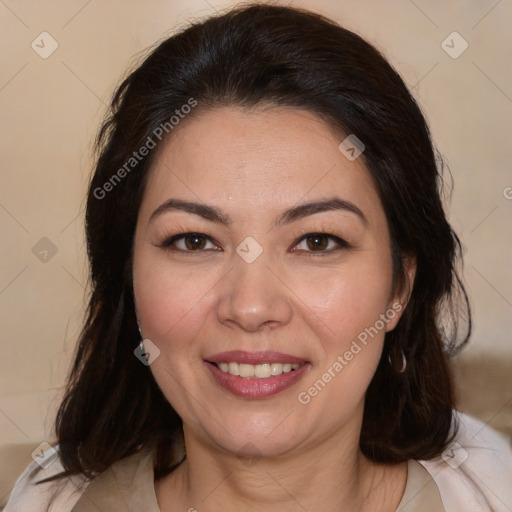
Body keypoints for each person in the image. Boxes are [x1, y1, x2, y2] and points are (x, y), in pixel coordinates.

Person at [5, 3, 512, 511]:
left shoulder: (490, 490)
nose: (250, 307)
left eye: (317, 241)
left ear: (399, 286)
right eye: (194, 241)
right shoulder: (45, 503)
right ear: (128, 273)